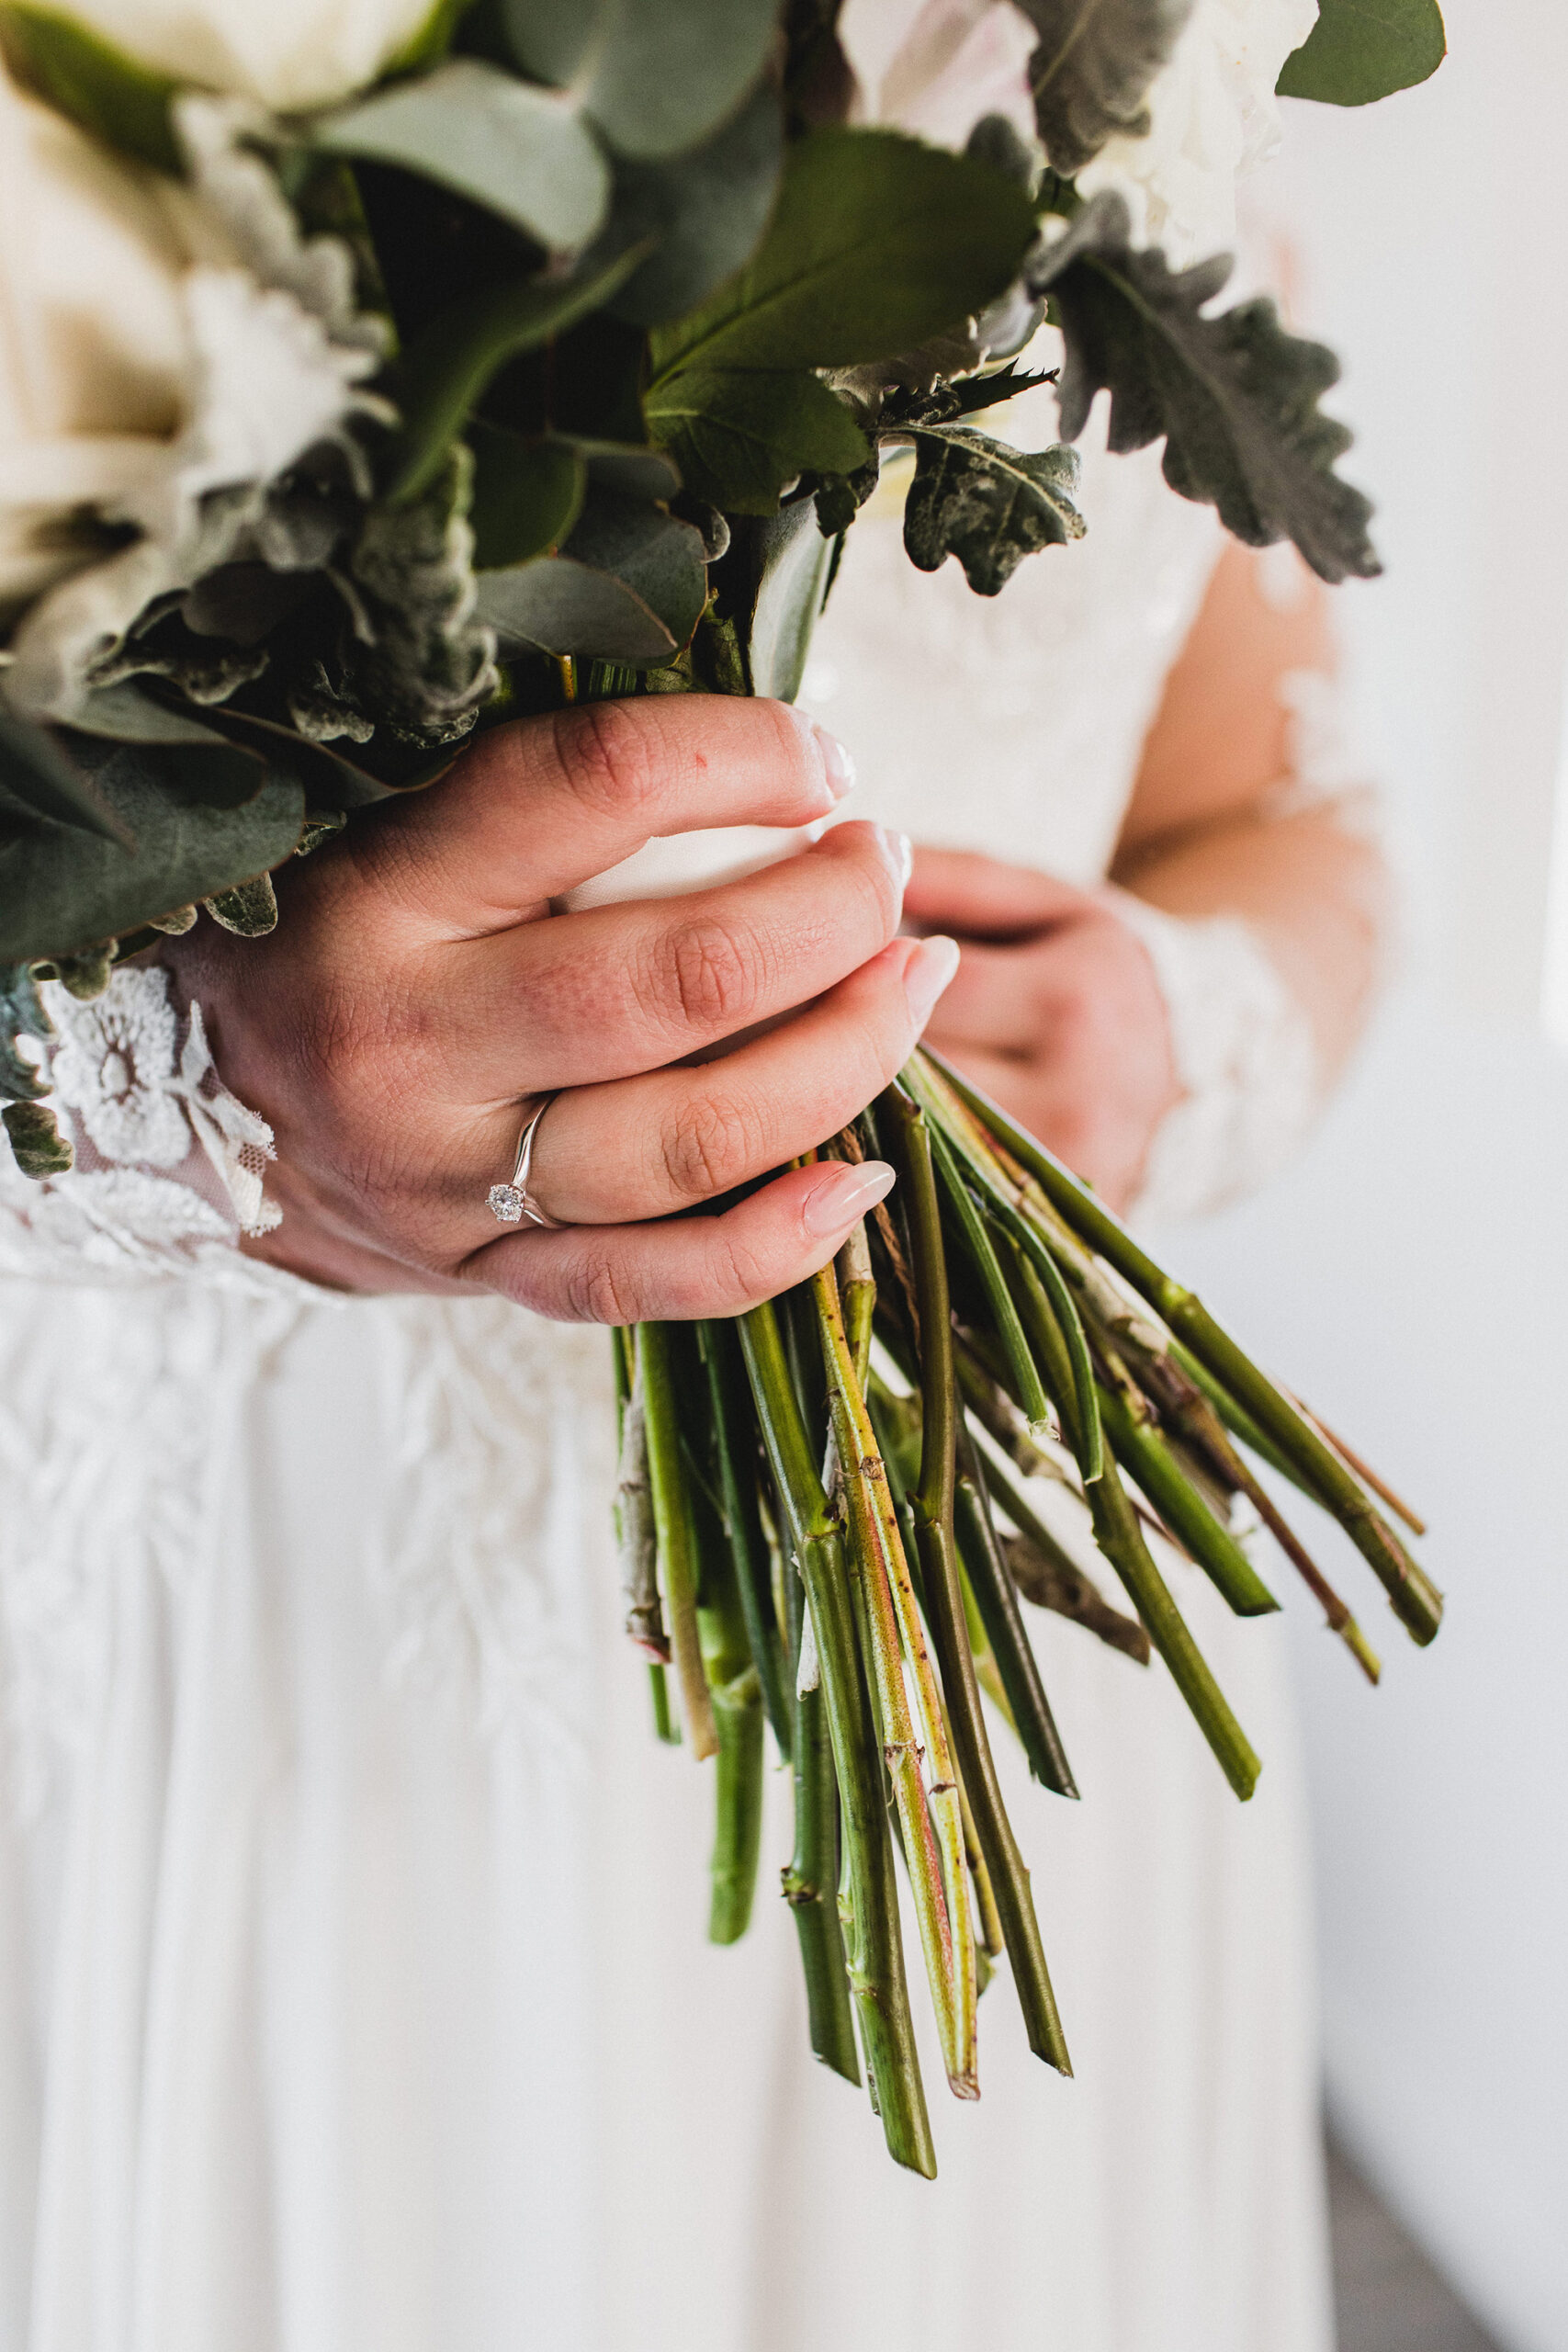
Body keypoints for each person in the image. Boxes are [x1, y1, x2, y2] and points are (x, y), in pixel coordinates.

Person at [0, 352, 1384, 2346]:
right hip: (275, 1621)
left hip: (980, 1562)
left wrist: (1176, 1028)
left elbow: (1277, 796)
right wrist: (160, 1094)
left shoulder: (1141, 50)